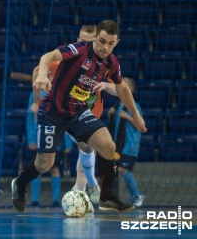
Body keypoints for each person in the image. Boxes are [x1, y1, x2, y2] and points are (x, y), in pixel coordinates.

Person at [12, 19, 146, 213]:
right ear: (95, 38)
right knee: (44, 164)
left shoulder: (111, 62)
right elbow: (48, 56)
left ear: (116, 43)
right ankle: (20, 184)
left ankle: (106, 196)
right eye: (101, 41)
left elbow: (122, 88)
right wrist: (42, 74)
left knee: (108, 146)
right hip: (53, 113)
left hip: (78, 112)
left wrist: (136, 115)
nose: (105, 47)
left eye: (110, 43)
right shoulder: (79, 50)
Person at [30, 25, 116, 206]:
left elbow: (121, 89)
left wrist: (108, 86)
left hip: (91, 111)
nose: (84, 44)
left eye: (89, 41)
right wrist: (37, 101)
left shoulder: (105, 61)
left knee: (86, 149)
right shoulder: (71, 56)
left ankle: (86, 185)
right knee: (78, 148)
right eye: (81, 41)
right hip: (65, 111)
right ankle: (83, 189)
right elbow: (38, 71)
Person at [26, 62, 74, 208]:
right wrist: (31, 139)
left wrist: (68, 142)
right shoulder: (35, 95)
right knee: (37, 167)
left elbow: (66, 120)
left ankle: (55, 200)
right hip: (38, 136)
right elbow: (30, 119)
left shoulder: (61, 95)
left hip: (56, 138)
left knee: (55, 168)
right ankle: (35, 200)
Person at [107, 77, 145, 207]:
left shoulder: (134, 106)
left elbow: (141, 126)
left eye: (126, 84)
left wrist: (128, 117)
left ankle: (137, 195)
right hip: (119, 145)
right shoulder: (118, 106)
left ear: (132, 89)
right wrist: (111, 115)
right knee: (115, 170)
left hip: (129, 145)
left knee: (123, 169)